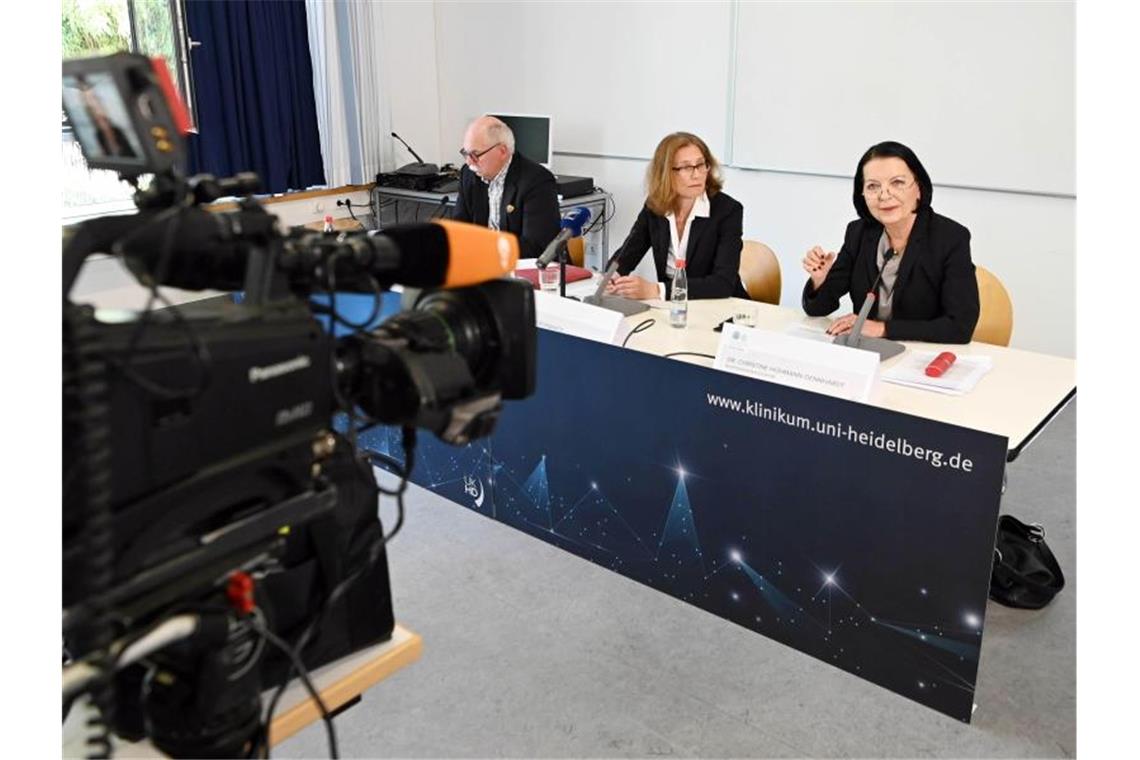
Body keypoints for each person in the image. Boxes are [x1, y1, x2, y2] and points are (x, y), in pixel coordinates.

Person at [802, 141, 979, 343]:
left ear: (919, 188)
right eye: (872, 186)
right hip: (865, 355)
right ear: (862, 195)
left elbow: (959, 327)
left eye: (897, 183)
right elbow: (818, 309)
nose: (884, 195)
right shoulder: (858, 233)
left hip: (920, 357)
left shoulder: (950, 238)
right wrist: (821, 281)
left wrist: (883, 329)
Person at [607, 132, 746, 300]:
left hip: (721, 307)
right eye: (686, 167)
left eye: (701, 164)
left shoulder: (727, 211)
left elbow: (722, 284)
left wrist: (657, 291)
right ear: (665, 173)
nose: (696, 174)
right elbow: (627, 253)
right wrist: (612, 275)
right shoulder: (655, 206)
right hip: (675, 309)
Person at [451, 116, 560, 260]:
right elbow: (459, 229)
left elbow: (534, 246)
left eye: (475, 155)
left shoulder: (536, 181)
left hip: (528, 270)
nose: (469, 162)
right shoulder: (469, 175)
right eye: (466, 153)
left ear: (502, 151)